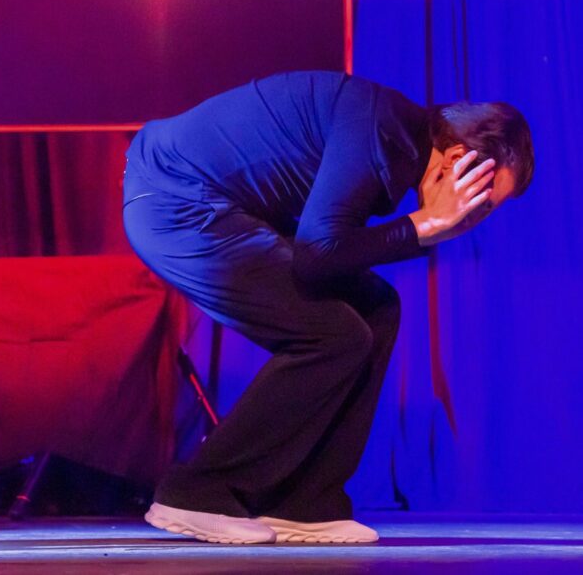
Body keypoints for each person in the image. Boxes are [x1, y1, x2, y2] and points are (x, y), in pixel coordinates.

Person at [123, 71, 532, 545]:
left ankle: (305, 500)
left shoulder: (397, 135)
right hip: (174, 201)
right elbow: (318, 257)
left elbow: (326, 250)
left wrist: (422, 227)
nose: (475, 215)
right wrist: (423, 225)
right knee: (333, 335)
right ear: (457, 159)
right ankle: (198, 491)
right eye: (483, 201)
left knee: (377, 308)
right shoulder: (381, 134)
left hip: (209, 204)